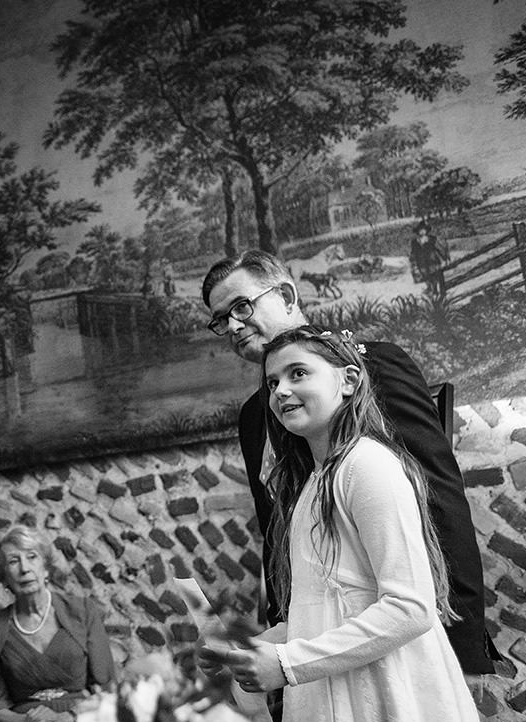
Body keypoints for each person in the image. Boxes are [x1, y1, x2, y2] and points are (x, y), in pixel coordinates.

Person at [207, 326, 500, 722]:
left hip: (385, 691)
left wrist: (285, 662)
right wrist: (251, 648)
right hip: (331, 689)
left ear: (347, 380)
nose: (280, 390)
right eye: (272, 382)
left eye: (297, 373)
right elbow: (324, 606)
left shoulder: (368, 466)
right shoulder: (312, 486)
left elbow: (410, 608)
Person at [201, 250, 499, 676]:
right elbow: (277, 531)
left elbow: (437, 495)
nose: (231, 325)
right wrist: (280, 633)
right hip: (309, 640)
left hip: (399, 634)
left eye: (241, 306)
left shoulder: (372, 365)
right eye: (219, 320)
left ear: (286, 295)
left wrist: (462, 642)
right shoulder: (254, 415)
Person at [0, 525, 113, 722]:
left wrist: (67, 719)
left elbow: (106, 688)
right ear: (4, 576)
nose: (24, 569)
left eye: (32, 557)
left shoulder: (83, 611)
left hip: (82, 721)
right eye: (13, 561)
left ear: (45, 567)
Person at [409, 221, 449, 298]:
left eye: (424, 230)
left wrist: (444, 258)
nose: (422, 231)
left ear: (427, 231)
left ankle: (442, 294)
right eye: (420, 230)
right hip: (422, 263)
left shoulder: (432, 239)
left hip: (433, 262)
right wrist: (413, 265)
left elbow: (439, 248)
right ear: (418, 231)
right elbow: (413, 254)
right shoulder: (414, 242)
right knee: (428, 278)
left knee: (439, 277)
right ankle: (433, 292)